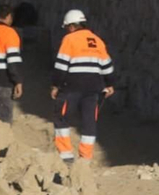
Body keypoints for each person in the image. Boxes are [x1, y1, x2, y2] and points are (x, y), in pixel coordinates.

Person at [49, 9, 114, 166]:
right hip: (94, 88)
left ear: (71, 26)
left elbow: (61, 65)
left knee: (60, 116)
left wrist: (55, 85)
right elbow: (107, 66)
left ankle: (66, 156)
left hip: (72, 86)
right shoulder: (97, 40)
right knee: (89, 122)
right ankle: (85, 158)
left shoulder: (69, 39)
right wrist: (110, 84)